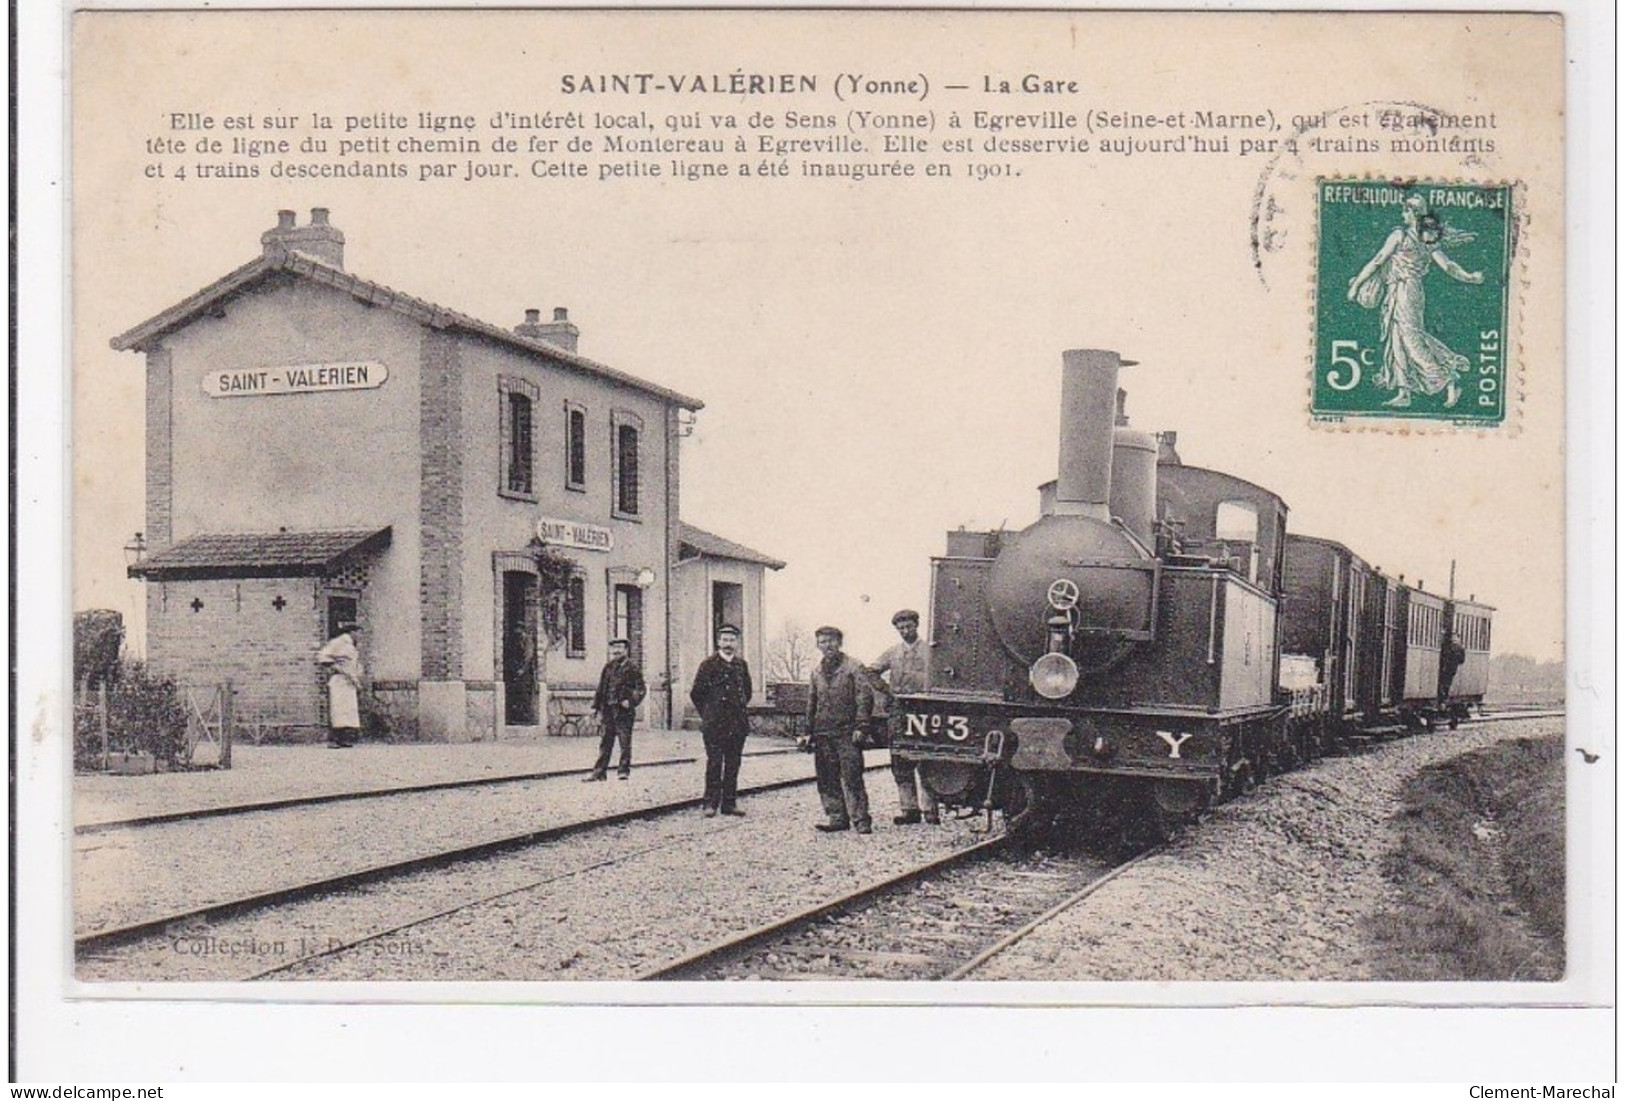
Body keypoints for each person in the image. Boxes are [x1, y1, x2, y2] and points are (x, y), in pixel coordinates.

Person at [1346, 193, 1484, 409]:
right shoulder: (1427, 240)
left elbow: (1377, 261)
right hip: (1399, 290)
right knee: (1397, 338)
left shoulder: (1401, 235)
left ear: (1411, 212)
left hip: (1406, 290)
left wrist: (1355, 286)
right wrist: (1468, 277)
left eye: (1405, 210)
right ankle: (1404, 392)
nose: (1403, 214)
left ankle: (1448, 379)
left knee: (1410, 339)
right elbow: (1448, 265)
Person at [869, 608, 938, 826]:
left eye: (908, 627)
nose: (905, 631)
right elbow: (870, 671)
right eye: (901, 628)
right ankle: (909, 809)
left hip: (925, 712)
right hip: (899, 712)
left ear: (916, 626)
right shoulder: (893, 652)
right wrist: (887, 691)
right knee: (900, 760)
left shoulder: (931, 651)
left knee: (927, 760)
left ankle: (931, 810)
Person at [805, 625, 874, 834]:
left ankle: (861, 819)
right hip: (823, 732)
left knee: (852, 776)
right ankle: (836, 817)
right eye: (823, 642)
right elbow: (812, 702)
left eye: (832, 641)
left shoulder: (854, 667)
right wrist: (808, 731)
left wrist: (861, 725)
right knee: (827, 777)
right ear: (818, 645)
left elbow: (864, 698)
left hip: (847, 732)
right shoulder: (816, 671)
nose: (828, 645)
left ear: (840, 643)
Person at [688, 624, 753, 817]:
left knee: (733, 764)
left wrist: (736, 709)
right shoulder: (708, 665)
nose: (728, 644)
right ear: (718, 642)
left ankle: (729, 804)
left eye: (732, 640)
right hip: (715, 725)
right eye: (724, 640)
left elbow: (747, 692)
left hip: (737, 724)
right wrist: (709, 714)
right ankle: (710, 804)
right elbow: (696, 694)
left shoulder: (742, 665)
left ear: (737, 643)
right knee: (714, 764)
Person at [585, 637, 646, 781]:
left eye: (619, 648)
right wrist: (595, 707)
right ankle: (599, 772)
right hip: (608, 710)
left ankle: (623, 771)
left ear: (626, 650)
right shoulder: (608, 667)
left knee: (624, 742)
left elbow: (641, 689)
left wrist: (631, 701)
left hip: (623, 711)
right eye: (614, 648)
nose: (616, 651)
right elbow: (601, 688)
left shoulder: (632, 668)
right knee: (605, 741)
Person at [315, 621, 364, 748]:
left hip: (349, 681)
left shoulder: (351, 646)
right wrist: (336, 667)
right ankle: (333, 740)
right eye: (358, 632)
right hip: (340, 680)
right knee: (338, 710)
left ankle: (343, 739)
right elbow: (322, 656)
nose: (359, 635)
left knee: (347, 711)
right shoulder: (339, 642)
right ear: (351, 632)